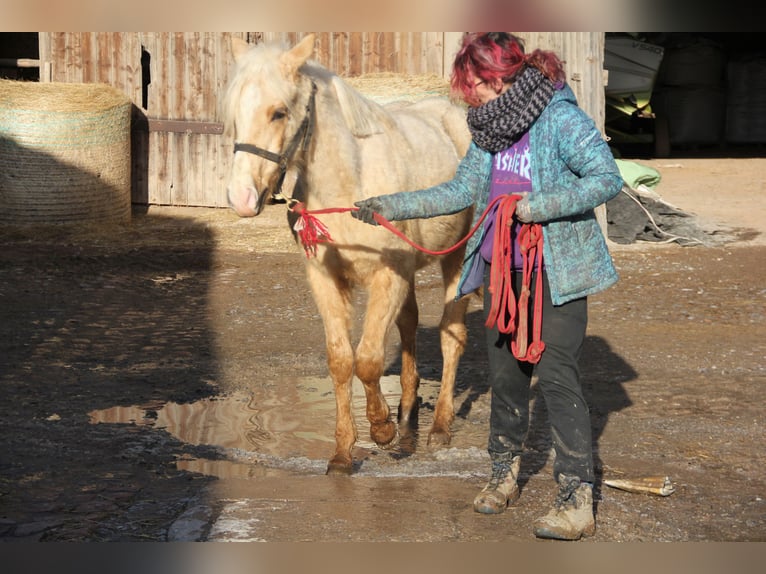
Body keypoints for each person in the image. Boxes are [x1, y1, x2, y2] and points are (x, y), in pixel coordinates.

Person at [351, 32, 622, 540]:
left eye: (474, 82)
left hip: (555, 272)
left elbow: (606, 178)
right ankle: (503, 475)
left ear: (499, 76)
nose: (468, 93)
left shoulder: (560, 119)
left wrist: (536, 206)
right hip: (503, 272)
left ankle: (575, 499)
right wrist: (392, 205)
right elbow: (459, 190)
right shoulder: (489, 132)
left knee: (557, 376)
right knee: (506, 377)